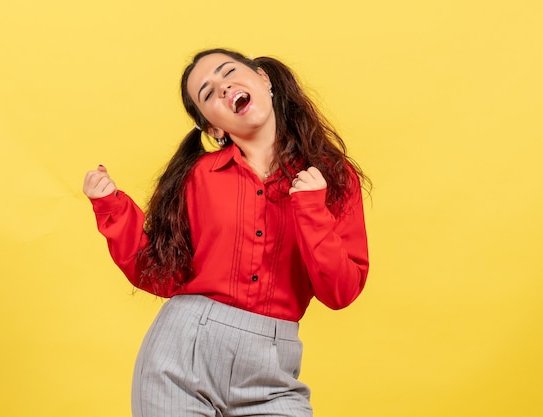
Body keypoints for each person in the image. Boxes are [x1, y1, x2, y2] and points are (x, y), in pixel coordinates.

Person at [82, 48, 370, 417]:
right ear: (214, 127)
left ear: (263, 79)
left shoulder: (332, 177)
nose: (222, 87)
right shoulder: (198, 177)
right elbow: (162, 273)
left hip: (272, 374)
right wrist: (112, 209)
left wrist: (311, 209)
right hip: (181, 357)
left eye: (227, 72)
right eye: (207, 92)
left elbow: (340, 291)